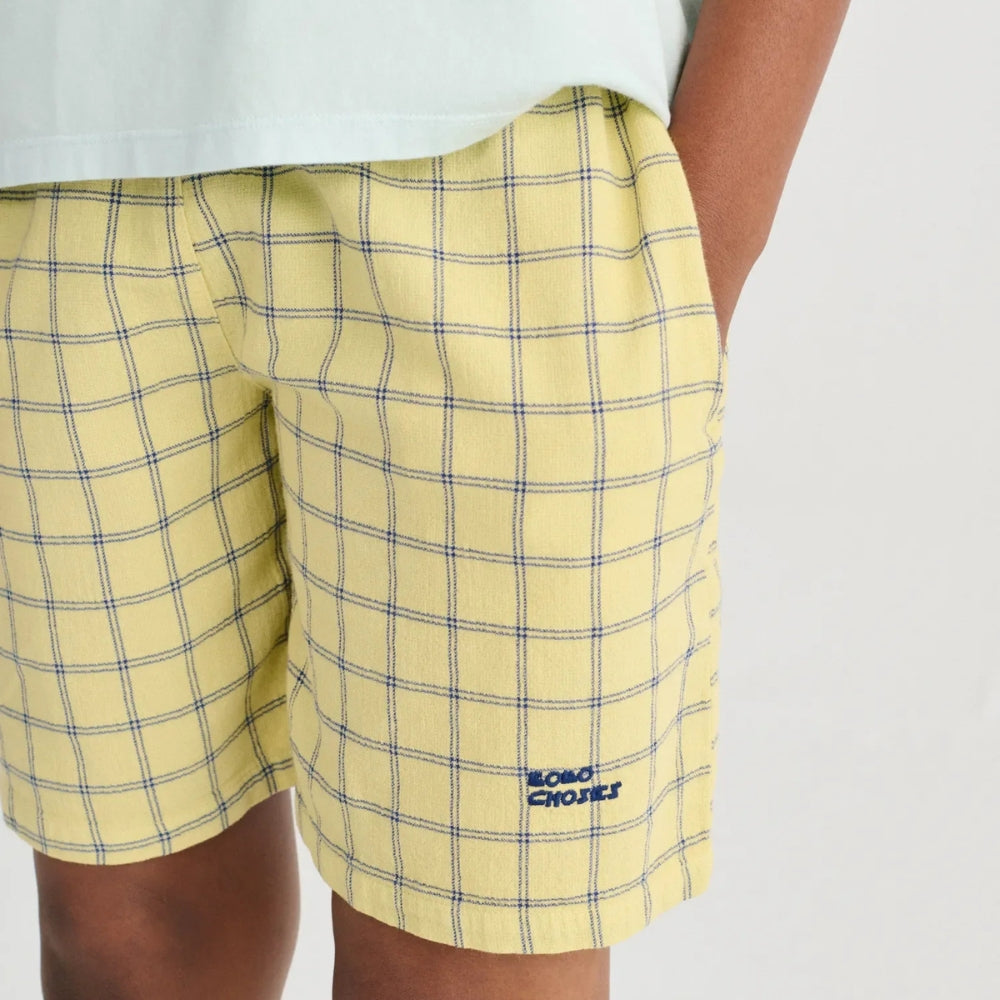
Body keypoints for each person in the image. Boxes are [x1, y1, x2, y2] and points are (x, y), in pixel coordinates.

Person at [0, 2, 851, 997]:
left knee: (471, 954)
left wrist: (699, 245)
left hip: (508, 154)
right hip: (60, 147)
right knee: (125, 934)